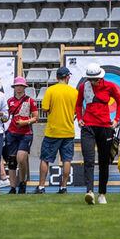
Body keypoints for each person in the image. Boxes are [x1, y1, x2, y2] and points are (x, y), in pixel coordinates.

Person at [75, 62, 120, 206]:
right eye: (90, 79)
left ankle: (102, 193)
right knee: (88, 160)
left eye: (94, 79)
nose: (92, 82)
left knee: (104, 162)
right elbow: (78, 104)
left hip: (105, 127)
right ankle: (89, 191)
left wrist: (116, 120)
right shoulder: (84, 87)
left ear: (100, 77)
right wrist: (79, 118)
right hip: (88, 127)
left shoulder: (110, 86)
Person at [36, 66, 78, 195]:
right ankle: (63, 187)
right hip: (68, 131)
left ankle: (42, 187)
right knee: (66, 159)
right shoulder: (74, 92)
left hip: (53, 131)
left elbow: (44, 108)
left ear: (56, 77)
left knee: (45, 159)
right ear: (67, 77)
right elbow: (77, 111)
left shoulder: (51, 90)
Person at [5, 76, 38, 194]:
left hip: (25, 133)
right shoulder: (9, 101)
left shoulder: (30, 101)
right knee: (12, 160)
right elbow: (5, 116)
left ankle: (22, 182)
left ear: (24, 87)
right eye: (16, 86)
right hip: (12, 132)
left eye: (20, 86)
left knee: (21, 158)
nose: (18, 88)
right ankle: (13, 187)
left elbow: (36, 117)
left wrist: (25, 122)